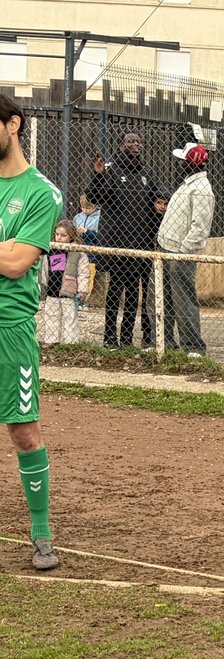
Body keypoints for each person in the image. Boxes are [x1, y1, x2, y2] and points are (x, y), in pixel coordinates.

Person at [0, 93, 64, 570]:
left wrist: (9, 250)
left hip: (10, 329)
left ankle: (41, 532)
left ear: (13, 125)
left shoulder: (42, 193)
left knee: (23, 431)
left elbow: (19, 262)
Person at [86, 131, 160, 349]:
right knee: (115, 290)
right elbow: (95, 197)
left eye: (138, 141)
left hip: (141, 243)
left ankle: (127, 338)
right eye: (130, 141)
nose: (135, 144)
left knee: (134, 294)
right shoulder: (110, 169)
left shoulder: (146, 173)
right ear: (121, 145)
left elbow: (156, 201)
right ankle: (110, 337)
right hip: (117, 243)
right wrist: (98, 175)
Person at [155, 142, 215, 357]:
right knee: (163, 300)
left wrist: (184, 251)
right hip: (166, 247)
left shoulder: (201, 189)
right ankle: (163, 343)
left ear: (191, 164)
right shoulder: (188, 184)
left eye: (183, 161)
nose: (180, 164)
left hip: (179, 252)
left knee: (184, 299)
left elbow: (200, 227)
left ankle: (193, 347)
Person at [38, 222, 90, 345]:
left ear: (71, 236)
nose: (59, 238)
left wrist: (82, 290)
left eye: (63, 235)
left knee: (70, 316)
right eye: (57, 234)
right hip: (52, 288)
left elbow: (83, 272)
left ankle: (70, 343)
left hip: (69, 290)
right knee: (50, 315)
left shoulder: (78, 252)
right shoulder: (50, 249)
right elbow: (43, 269)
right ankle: (51, 340)